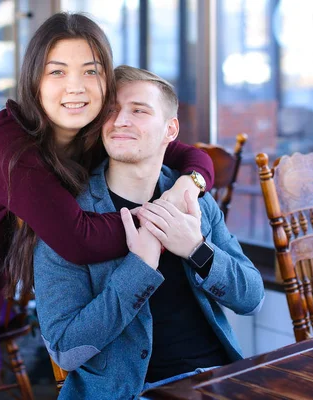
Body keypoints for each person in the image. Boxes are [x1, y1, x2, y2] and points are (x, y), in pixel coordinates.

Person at [0, 13, 214, 400]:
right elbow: (79, 240)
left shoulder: (95, 127)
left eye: (90, 71)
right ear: (34, 82)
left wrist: (187, 188)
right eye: (57, 72)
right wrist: (164, 222)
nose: (75, 87)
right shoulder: (11, 145)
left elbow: (188, 154)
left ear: (106, 79)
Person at [33, 65, 265, 399]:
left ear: (170, 129)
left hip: (216, 379)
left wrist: (197, 249)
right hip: (129, 392)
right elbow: (65, 349)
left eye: (139, 110)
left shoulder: (193, 201)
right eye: (110, 110)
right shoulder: (69, 216)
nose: (120, 120)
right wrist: (139, 269)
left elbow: (252, 299)